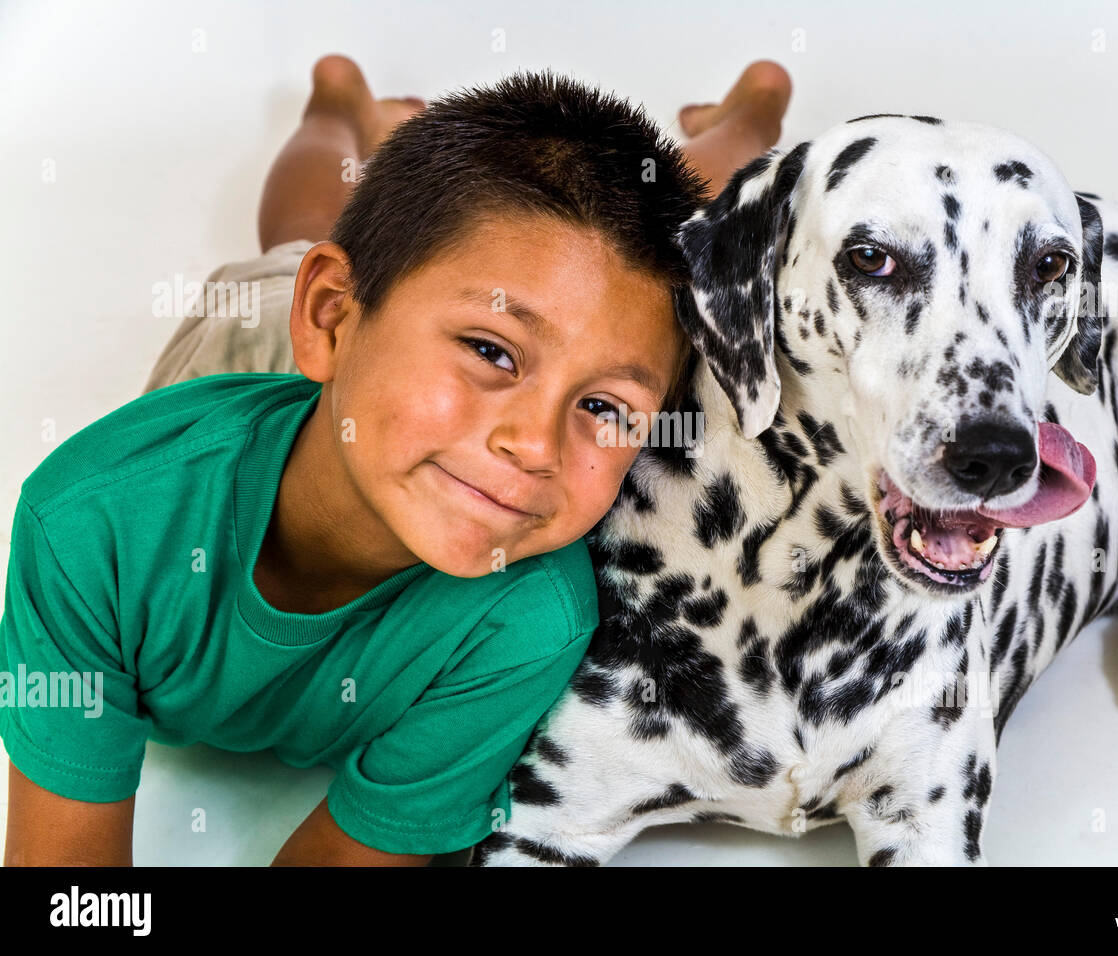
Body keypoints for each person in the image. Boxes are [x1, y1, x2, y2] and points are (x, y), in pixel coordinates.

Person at [1, 54, 791, 866]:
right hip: (252, 348)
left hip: (373, 394)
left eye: (602, 408)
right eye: (491, 350)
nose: (533, 444)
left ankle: (753, 113)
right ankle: (335, 105)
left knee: (681, 232)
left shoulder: (531, 615)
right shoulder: (92, 529)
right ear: (332, 318)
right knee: (288, 246)